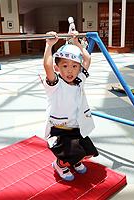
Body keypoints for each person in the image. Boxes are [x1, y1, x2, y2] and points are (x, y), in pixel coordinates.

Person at [43, 31, 98, 181]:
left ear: (79, 68)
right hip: (60, 129)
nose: (70, 70)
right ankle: (60, 164)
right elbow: (47, 67)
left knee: (89, 152)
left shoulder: (80, 79)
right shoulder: (55, 84)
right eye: (65, 66)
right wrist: (49, 46)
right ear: (57, 68)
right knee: (73, 152)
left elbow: (87, 58)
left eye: (74, 66)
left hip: (76, 127)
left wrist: (76, 43)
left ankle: (76, 161)